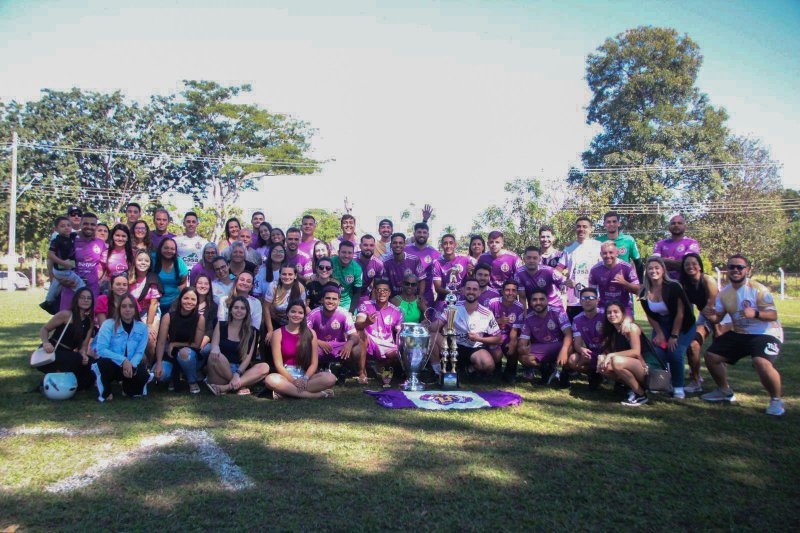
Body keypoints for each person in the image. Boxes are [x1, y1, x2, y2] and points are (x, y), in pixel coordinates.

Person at [700, 254, 785, 416]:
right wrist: (709, 315)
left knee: (761, 362)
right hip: (740, 333)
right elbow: (718, 317)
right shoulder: (724, 293)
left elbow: (772, 315)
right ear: (727, 270)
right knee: (711, 356)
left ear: (747, 270)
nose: (735, 270)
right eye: (732, 267)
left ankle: (776, 400)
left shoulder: (758, 289)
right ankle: (724, 391)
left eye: (740, 267)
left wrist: (755, 313)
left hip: (765, 332)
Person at [639, 256, 696, 399]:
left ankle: (678, 386)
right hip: (661, 325)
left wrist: (674, 336)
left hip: (683, 325)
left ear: (663, 270)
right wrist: (659, 333)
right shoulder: (644, 291)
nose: (653, 271)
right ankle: (662, 383)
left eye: (657, 268)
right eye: (650, 268)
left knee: (675, 353)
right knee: (658, 353)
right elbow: (650, 316)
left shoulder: (674, 287)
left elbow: (680, 313)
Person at [430, 278, 502, 380]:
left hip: (474, 348)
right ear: (463, 290)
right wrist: (428, 324)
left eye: (474, 289)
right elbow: (436, 326)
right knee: (432, 336)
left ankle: (468, 369)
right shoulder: (453, 307)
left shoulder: (487, 313)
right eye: (468, 289)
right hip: (453, 345)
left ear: (479, 292)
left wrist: (479, 339)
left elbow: (498, 338)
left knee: (488, 365)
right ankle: (438, 373)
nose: (471, 292)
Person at [265, 300, 336, 399]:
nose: (296, 315)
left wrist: (305, 379)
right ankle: (316, 395)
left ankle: (287, 392)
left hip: (305, 376)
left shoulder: (311, 333)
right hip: (285, 376)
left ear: (304, 316)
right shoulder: (277, 333)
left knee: (330, 378)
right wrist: (294, 381)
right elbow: (278, 365)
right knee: (270, 379)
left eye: (300, 312)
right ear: (287, 313)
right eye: (293, 311)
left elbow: (314, 363)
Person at [91, 294, 152, 402]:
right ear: (118, 309)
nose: (127, 309)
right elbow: (101, 350)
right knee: (104, 364)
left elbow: (139, 352)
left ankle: (138, 380)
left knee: (133, 393)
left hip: (130, 364)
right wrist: (123, 360)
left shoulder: (142, 328)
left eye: (131, 306)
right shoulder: (108, 325)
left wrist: (131, 365)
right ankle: (105, 388)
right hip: (112, 363)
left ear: (135, 309)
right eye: (124, 306)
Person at [36, 287, 96, 391]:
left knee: (91, 366)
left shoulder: (89, 322)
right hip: (53, 351)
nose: (86, 300)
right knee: (76, 359)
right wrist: (46, 343)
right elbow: (44, 329)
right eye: (82, 297)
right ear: (76, 299)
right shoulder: (66, 315)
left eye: (89, 298)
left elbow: (84, 346)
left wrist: (83, 354)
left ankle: (60, 377)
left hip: (70, 354)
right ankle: (54, 376)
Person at [680, 252, 721, 392]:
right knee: (692, 345)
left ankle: (722, 384)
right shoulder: (685, 284)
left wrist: (717, 332)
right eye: (687, 264)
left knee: (719, 348)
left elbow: (712, 308)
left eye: (694, 263)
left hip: (720, 316)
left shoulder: (708, 280)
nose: (690, 266)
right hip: (704, 315)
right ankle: (696, 380)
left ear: (700, 266)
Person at [308, 286, 365, 384]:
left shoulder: (344, 313)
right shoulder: (314, 314)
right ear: (322, 300)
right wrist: (317, 341)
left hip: (338, 349)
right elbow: (303, 334)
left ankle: (346, 370)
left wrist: (349, 343)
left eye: (334, 299)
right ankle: (315, 370)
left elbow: (354, 335)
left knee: (358, 346)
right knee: (305, 347)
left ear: (339, 301)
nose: (331, 301)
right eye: (327, 298)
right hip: (319, 348)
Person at [154, 287, 206, 394]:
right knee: (161, 375)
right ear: (180, 299)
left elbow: (196, 344)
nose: (189, 302)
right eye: (186, 298)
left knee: (184, 353)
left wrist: (175, 343)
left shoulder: (200, 318)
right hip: (171, 354)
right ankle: (173, 377)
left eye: (193, 299)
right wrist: (159, 363)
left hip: (190, 355)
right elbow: (161, 342)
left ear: (197, 302)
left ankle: (192, 381)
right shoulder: (168, 317)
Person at [517, 288, 573, 386]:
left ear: (547, 300)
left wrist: (564, 350)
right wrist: (522, 347)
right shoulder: (529, 318)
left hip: (558, 346)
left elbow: (568, 334)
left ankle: (564, 376)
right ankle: (547, 370)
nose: (538, 302)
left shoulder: (558, 312)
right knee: (523, 357)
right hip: (541, 347)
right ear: (530, 302)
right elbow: (523, 341)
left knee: (570, 348)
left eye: (541, 299)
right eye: (534, 300)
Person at [597, 302, 649, 407]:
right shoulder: (613, 331)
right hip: (633, 365)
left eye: (616, 312)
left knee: (616, 361)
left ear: (623, 314)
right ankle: (631, 388)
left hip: (647, 367)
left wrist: (611, 355)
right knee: (604, 367)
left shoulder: (631, 327)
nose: (612, 315)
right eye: (609, 313)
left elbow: (636, 352)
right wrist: (602, 356)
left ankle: (641, 395)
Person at [59, 212, 107, 312]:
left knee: (89, 321)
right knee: (66, 319)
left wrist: (96, 279)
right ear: (80, 224)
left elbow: (103, 266)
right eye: (86, 224)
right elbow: (59, 263)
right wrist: (61, 280)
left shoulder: (100, 243)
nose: (89, 227)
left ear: (96, 226)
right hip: (71, 287)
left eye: (92, 224)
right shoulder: (70, 240)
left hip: (92, 289)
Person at [558, 216, 602, 321]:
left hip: (593, 298)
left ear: (591, 229)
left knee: (594, 332)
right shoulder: (569, 248)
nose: (581, 229)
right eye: (578, 227)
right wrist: (565, 281)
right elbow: (557, 270)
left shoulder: (598, 246)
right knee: (575, 331)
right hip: (574, 300)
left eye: (585, 227)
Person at [355, 279, 404, 371]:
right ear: (374, 292)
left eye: (385, 290)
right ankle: (362, 371)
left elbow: (399, 334)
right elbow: (357, 325)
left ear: (389, 293)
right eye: (379, 290)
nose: (382, 293)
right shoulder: (365, 305)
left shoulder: (397, 311)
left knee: (401, 354)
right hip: (369, 342)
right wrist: (367, 322)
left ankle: (378, 365)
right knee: (361, 333)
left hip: (386, 344)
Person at [41, 216, 85, 314]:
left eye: (68, 225)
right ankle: (82, 303)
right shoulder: (56, 241)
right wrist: (63, 263)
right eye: (62, 226)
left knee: (56, 285)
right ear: (56, 229)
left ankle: (48, 301)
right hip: (62, 270)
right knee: (81, 286)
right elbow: (50, 254)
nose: (66, 228)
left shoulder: (71, 236)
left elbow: (79, 232)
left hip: (64, 269)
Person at [566, 287, 605, 389]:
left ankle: (621, 384)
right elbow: (577, 343)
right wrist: (581, 349)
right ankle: (594, 375)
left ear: (597, 300)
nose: (587, 300)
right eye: (584, 298)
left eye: (591, 298)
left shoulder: (605, 315)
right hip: (591, 353)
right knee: (572, 360)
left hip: (607, 352)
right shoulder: (577, 319)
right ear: (580, 301)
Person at [486, 280, 524, 382]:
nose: (510, 293)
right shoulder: (492, 303)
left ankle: (510, 372)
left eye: (513, 290)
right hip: (492, 335)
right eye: (507, 290)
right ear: (502, 291)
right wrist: (498, 321)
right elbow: (484, 324)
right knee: (496, 352)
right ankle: (496, 371)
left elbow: (515, 329)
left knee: (515, 345)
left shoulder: (519, 307)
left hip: (508, 335)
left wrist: (512, 343)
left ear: (516, 293)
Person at [128, 249, 163, 361]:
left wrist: (148, 325)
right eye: (140, 260)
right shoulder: (127, 277)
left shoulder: (153, 278)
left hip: (149, 312)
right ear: (134, 261)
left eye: (146, 261)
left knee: (150, 338)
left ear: (150, 263)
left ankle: (149, 364)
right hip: (131, 313)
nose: (143, 263)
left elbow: (153, 303)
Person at [588, 241, 640, 316]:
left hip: (624, 307)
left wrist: (624, 283)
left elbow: (638, 290)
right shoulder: (595, 270)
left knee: (627, 326)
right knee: (600, 326)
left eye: (611, 252)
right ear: (601, 254)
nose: (608, 256)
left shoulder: (627, 267)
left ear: (617, 253)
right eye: (605, 253)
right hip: (603, 308)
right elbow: (591, 292)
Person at [514, 246, 566, 312]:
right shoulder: (519, 274)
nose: (531, 261)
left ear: (540, 259)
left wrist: (563, 311)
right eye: (528, 258)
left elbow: (564, 290)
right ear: (524, 259)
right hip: (535, 309)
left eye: (535, 258)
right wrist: (524, 317)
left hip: (554, 307)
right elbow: (522, 298)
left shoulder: (550, 271)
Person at [264, 265, 307, 340]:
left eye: (290, 274)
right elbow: (266, 308)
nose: (287, 277)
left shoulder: (300, 288)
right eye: (284, 274)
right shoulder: (273, 286)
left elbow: (302, 310)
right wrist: (270, 330)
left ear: (295, 276)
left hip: (293, 322)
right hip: (274, 321)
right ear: (280, 275)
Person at [653, 214, 700, 279]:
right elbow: (654, 263)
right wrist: (678, 263)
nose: (676, 225)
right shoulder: (660, 244)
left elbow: (687, 264)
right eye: (673, 223)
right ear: (669, 227)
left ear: (685, 226)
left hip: (685, 283)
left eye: (679, 223)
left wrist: (663, 261)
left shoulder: (692, 243)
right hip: (664, 283)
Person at [404, 222, 441, 306]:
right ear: (414, 234)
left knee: (426, 318)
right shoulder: (405, 250)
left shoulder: (435, 253)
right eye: (419, 232)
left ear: (428, 235)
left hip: (427, 295)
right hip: (407, 294)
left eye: (424, 232)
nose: (422, 235)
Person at [380, 232, 426, 298]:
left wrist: (420, 296)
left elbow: (422, 279)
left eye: (400, 243)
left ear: (405, 245)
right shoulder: (385, 262)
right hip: (392, 299)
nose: (397, 245)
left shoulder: (414, 260)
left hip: (411, 298)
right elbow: (384, 283)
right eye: (395, 243)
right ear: (390, 245)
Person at [597, 211, 642, 277]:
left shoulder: (629, 240)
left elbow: (638, 262)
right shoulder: (597, 241)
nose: (611, 224)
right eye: (608, 222)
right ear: (604, 224)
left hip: (625, 282)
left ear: (619, 224)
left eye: (614, 221)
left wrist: (641, 283)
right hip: (604, 281)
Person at [432, 234, 473, 302]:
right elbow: (438, 288)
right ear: (441, 246)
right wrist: (453, 292)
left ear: (455, 245)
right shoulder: (437, 263)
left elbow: (474, 275)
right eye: (445, 243)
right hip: (444, 300)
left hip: (463, 301)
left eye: (451, 243)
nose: (448, 246)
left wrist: (471, 273)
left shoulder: (465, 259)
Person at [153, 237, 189, 314]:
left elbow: (183, 282)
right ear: (160, 248)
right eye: (166, 248)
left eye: (172, 249)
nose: (169, 251)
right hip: (154, 303)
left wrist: (177, 299)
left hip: (173, 304)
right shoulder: (153, 259)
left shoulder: (179, 262)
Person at [331, 240, 363, 314]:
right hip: (330, 298)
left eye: (349, 253)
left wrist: (351, 311)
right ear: (338, 252)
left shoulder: (357, 269)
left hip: (346, 302)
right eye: (344, 252)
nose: (346, 256)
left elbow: (357, 293)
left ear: (353, 254)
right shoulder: (330, 262)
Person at [193, 273, 218, 358]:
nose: (203, 286)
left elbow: (210, 329)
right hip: (185, 339)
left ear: (210, 287)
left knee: (207, 349)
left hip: (203, 340)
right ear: (195, 284)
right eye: (200, 283)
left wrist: (200, 344)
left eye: (206, 284)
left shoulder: (213, 306)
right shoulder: (187, 301)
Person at [356, 234, 384, 304]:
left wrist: (373, 303)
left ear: (374, 246)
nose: (368, 248)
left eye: (371, 245)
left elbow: (376, 287)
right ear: (360, 246)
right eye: (365, 245)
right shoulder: (351, 260)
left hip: (364, 295)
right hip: (348, 295)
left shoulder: (378, 264)